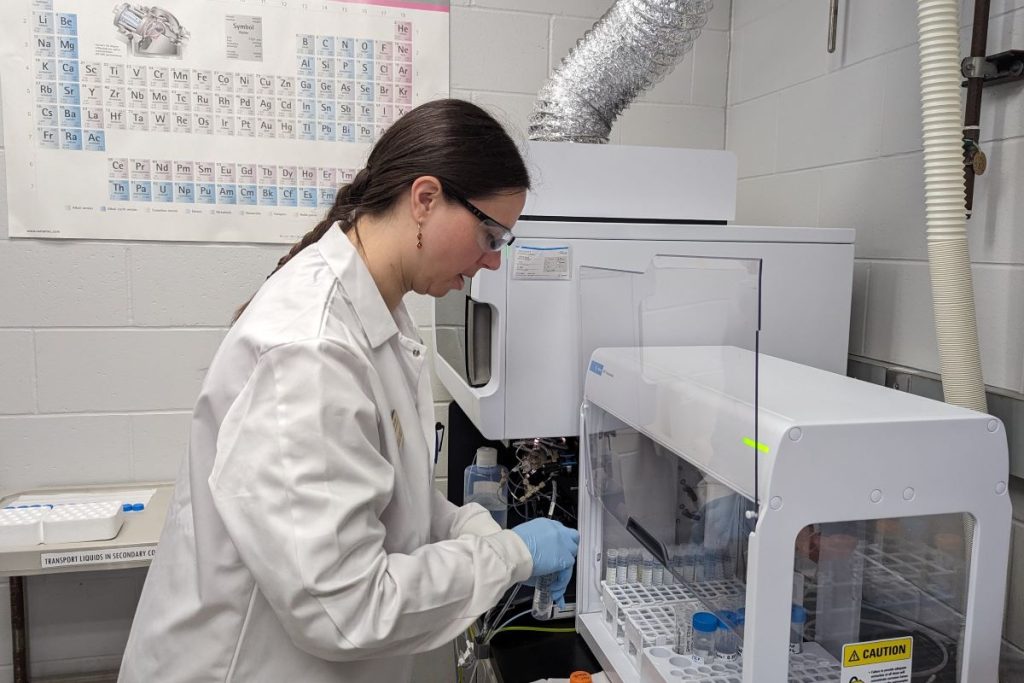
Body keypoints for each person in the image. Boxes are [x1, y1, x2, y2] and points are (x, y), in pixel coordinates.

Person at [119, 99, 580, 682]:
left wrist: (471, 530)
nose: (492, 260)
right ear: (425, 199)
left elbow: (389, 500)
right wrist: (510, 556)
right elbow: (348, 607)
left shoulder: (380, 317)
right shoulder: (312, 351)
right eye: (490, 233)